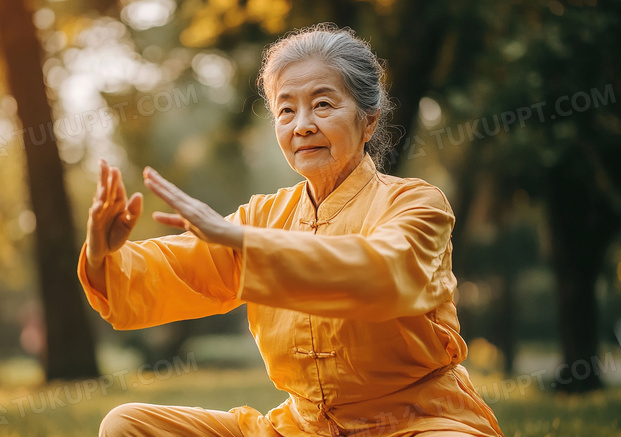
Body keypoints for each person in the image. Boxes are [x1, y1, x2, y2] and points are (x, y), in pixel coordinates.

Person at [78, 23, 503, 437]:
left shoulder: (416, 204)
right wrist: (102, 252)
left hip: (417, 422)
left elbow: (382, 272)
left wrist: (243, 241)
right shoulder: (264, 216)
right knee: (126, 424)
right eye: (286, 109)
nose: (302, 125)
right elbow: (172, 272)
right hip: (300, 429)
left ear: (368, 121)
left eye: (322, 105)